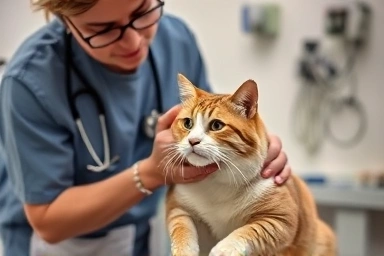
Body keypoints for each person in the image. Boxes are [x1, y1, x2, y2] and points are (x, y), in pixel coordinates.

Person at [0, 0, 292, 255]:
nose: (133, 42)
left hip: (143, 234)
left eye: (141, 13)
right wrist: (149, 173)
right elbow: (48, 220)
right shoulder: (29, 81)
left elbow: (212, 127)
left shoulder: (177, 40)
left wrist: (255, 154)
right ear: (65, 21)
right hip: (63, 246)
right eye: (103, 29)